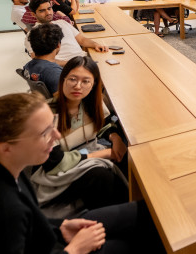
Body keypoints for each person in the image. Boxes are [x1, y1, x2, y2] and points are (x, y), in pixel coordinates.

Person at [0, 93, 165, 254]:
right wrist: (75, 250)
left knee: (149, 214)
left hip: (51, 236)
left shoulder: (7, 165)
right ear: (6, 148)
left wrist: (60, 226)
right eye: (45, 133)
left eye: (53, 125)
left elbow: (32, 222)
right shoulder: (4, 209)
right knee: (139, 242)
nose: (56, 136)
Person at [30, 56, 128, 211]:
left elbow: (106, 125)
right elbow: (54, 164)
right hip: (56, 173)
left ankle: (130, 210)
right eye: (72, 79)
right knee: (101, 176)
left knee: (127, 158)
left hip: (86, 152)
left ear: (94, 84)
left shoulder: (93, 105)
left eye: (85, 81)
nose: (77, 86)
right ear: (63, 80)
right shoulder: (47, 113)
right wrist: (105, 154)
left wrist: (115, 139)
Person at [26, 0, 108, 65]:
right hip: (66, 68)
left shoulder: (62, 23)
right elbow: (40, 61)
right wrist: (70, 63)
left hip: (83, 60)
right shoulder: (33, 35)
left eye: (49, 8)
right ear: (33, 14)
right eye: (42, 11)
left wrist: (95, 44)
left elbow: (82, 40)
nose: (48, 13)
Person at [23, 23, 64, 95]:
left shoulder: (27, 66)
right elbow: (63, 100)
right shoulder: (55, 73)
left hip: (42, 101)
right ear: (58, 45)